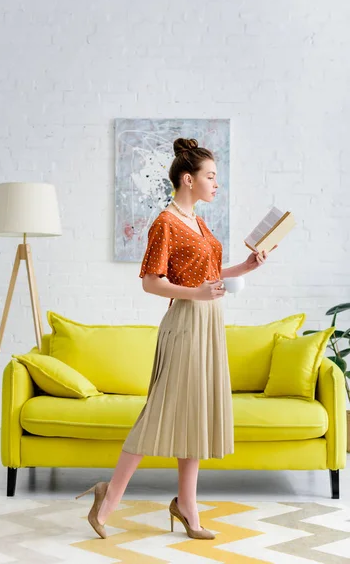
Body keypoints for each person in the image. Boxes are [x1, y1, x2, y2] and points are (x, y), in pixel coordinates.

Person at [76, 137, 276, 540]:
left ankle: (187, 505)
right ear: (188, 179)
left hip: (208, 323)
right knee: (159, 413)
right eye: (211, 176)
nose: (217, 183)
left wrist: (247, 267)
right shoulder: (165, 222)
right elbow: (152, 283)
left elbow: (211, 277)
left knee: (195, 415)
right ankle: (109, 496)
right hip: (185, 324)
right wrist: (197, 295)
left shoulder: (199, 223)